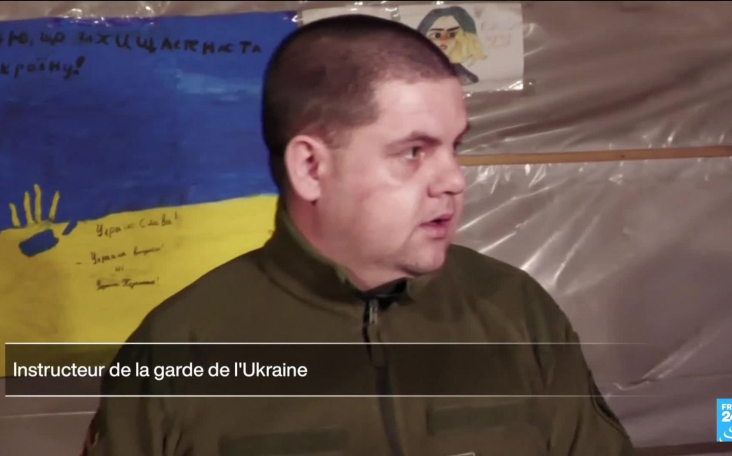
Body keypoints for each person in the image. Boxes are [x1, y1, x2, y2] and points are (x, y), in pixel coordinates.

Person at [81, 15, 635, 456]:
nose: (453, 180)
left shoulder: (517, 311)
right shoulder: (179, 350)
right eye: (413, 151)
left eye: (455, 147)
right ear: (311, 168)